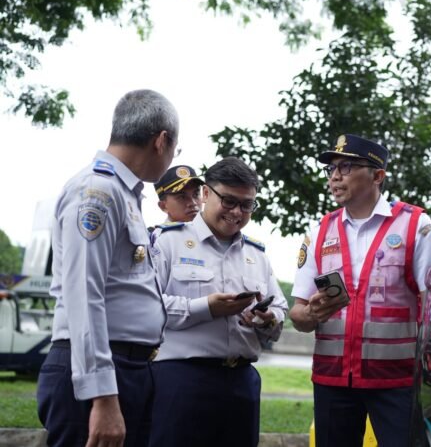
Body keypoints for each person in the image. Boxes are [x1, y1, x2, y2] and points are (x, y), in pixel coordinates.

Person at [37, 89, 180, 447]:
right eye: (176, 148)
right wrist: (102, 396)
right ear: (161, 141)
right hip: (99, 372)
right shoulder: (97, 192)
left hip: (128, 369)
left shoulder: (124, 194)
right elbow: (84, 296)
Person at [289, 134, 431, 447]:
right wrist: (312, 313)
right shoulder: (319, 230)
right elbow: (298, 315)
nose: (334, 176)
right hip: (332, 380)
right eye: (331, 169)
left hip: (396, 382)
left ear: (378, 175)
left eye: (346, 167)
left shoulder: (416, 226)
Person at [148, 156, 288, 447]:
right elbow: (148, 308)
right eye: (229, 201)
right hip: (181, 380)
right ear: (206, 194)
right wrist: (206, 307)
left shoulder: (256, 254)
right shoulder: (166, 242)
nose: (237, 212)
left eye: (247, 204)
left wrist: (268, 319)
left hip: (242, 383)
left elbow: (279, 309)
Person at [148, 165, 204, 244]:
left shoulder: (218, 232)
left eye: (196, 194)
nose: (193, 203)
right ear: (163, 206)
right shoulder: (154, 239)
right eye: (182, 197)